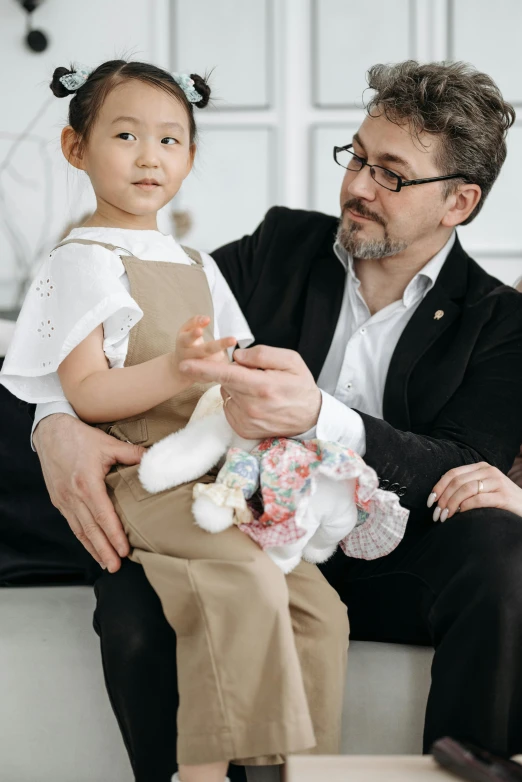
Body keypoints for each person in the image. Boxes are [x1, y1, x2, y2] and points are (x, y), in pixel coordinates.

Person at [21, 59, 522, 780]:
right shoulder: (282, 246)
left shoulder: (500, 323)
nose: (356, 185)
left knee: (502, 551)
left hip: (392, 560)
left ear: (458, 202)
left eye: (391, 173)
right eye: (356, 156)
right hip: (243, 522)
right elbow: (139, 329)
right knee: (135, 603)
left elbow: (459, 467)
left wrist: (322, 416)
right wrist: (53, 421)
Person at [0, 60, 351, 782]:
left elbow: (236, 357)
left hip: (218, 471)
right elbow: (89, 393)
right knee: (244, 584)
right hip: (142, 474)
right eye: (125, 135)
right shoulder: (80, 261)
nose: (149, 156)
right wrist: (175, 372)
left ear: (190, 158)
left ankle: (303, 772)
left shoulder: (196, 261)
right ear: (77, 149)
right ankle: (201, 772)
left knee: (320, 608)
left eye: (169, 140)